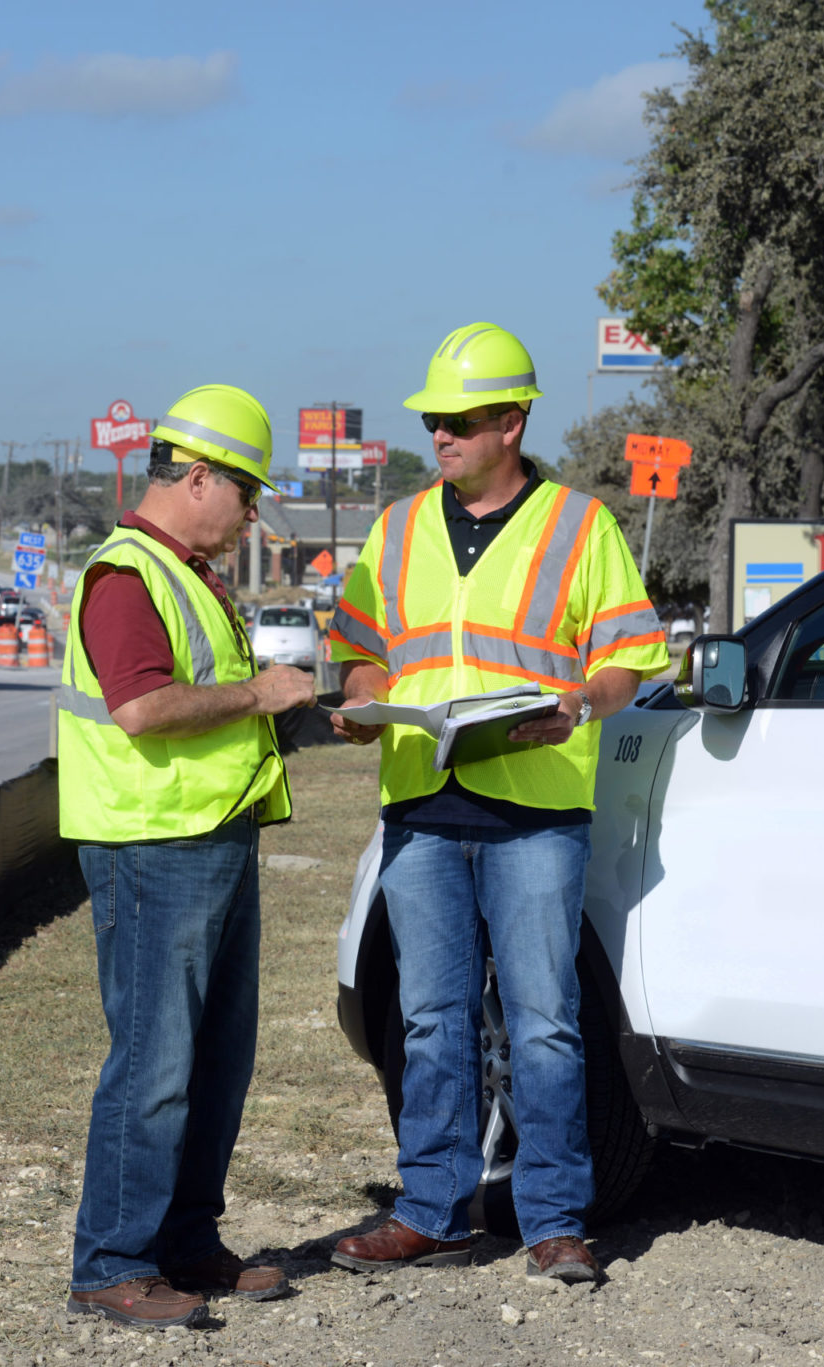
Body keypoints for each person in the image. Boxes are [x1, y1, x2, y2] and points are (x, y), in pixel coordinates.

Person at [324, 323, 669, 1284]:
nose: (440, 434)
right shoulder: (395, 531)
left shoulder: (579, 526)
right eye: (434, 418)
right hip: (424, 806)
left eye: (460, 419)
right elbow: (363, 645)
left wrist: (579, 703)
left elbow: (631, 657)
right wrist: (360, 697)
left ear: (512, 421)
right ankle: (434, 1209)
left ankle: (555, 1218)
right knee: (432, 1020)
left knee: (545, 1020)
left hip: (534, 811)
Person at [56, 384, 316, 1328]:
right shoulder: (127, 576)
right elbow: (140, 707)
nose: (252, 513)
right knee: (156, 1062)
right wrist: (258, 696)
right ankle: (112, 1262)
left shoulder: (190, 573)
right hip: (150, 848)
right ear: (197, 475)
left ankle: (187, 1244)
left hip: (210, 841)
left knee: (216, 1058)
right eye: (246, 491)